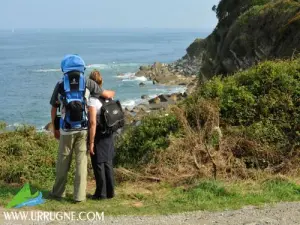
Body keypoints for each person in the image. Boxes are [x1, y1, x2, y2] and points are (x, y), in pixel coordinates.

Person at [49, 55, 115, 202]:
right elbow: (105, 94)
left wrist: (55, 128)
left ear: (64, 69)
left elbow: (54, 108)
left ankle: (58, 192)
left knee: (63, 162)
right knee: (81, 163)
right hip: (83, 129)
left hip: (66, 129)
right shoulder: (88, 82)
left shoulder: (60, 84)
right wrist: (112, 93)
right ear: (82, 68)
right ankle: (79, 196)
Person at [87, 70, 115, 200]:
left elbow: (92, 122)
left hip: (98, 134)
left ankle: (101, 193)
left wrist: (91, 142)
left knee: (98, 163)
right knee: (108, 162)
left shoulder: (92, 101)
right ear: (101, 81)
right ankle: (110, 192)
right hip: (108, 132)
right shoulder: (108, 96)